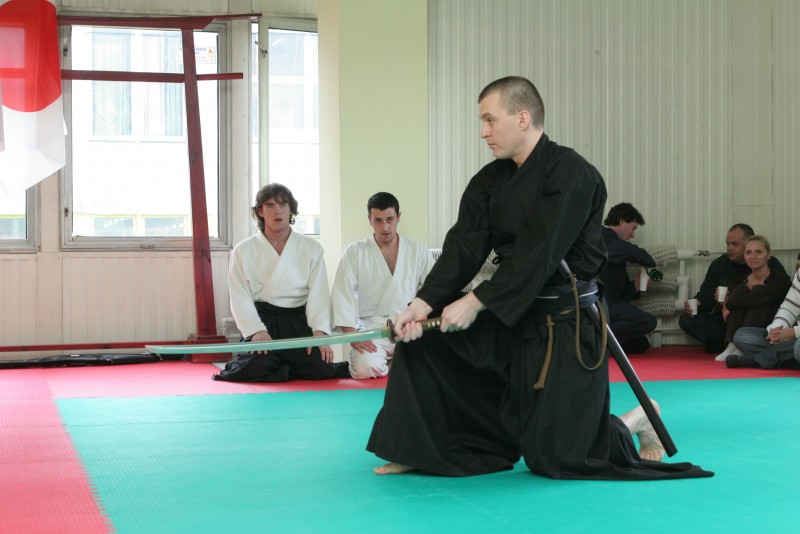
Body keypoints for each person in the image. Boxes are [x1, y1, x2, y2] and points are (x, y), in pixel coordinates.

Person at [366, 76, 712, 480]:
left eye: (490, 120)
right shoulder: (489, 181)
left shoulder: (572, 174)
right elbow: (463, 247)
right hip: (511, 311)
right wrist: (421, 305)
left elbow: (540, 251)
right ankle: (425, 448)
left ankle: (640, 418)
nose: (483, 132)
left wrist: (476, 301)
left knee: (561, 458)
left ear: (522, 117)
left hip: (564, 321)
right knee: (426, 342)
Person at [214, 183, 351, 382]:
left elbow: (318, 295)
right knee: (257, 366)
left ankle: (285, 368)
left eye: (283, 205)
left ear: (291, 210)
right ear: (260, 211)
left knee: (319, 367)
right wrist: (256, 330)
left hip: (298, 322)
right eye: (270, 205)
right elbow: (239, 296)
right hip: (263, 321)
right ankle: (282, 366)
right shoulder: (243, 250)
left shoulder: (311, 248)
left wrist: (319, 332)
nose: (277, 211)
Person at [331, 192, 435, 379]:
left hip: (409, 326)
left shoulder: (417, 250)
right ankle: (395, 366)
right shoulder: (355, 251)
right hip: (373, 328)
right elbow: (342, 292)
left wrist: (422, 318)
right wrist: (352, 335)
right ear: (369, 220)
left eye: (390, 219)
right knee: (365, 368)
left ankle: (394, 365)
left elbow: (433, 288)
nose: (385, 227)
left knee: (432, 367)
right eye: (378, 220)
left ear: (398, 217)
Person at [679, 224, 786, 353]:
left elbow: (772, 296)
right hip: (728, 320)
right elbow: (706, 296)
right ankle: (732, 342)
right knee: (686, 319)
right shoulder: (720, 265)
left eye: (735, 244)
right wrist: (698, 304)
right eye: (727, 244)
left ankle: (729, 343)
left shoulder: (771, 266)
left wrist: (730, 304)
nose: (729, 248)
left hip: (759, 319)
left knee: (760, 300)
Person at [714, 236, 791, 361]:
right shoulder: (740, 280)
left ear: (768, 255)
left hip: (770, 328)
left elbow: (764, 298)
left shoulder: (780, 278)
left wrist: (730, 304)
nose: (753, 256)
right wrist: (724, 301)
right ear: (744, 256)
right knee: (739, 290)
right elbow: (727, 310)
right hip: (740, 328)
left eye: (758, 252)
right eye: (748, 252)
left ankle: (743, 347)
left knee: (758, 291)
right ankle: (732, 345)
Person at [599, 202, 658, 354]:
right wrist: (652, 264)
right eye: (633, 228)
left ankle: (602, 342)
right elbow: (633, 252)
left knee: (640, 344)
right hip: (601, 303)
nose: (632, 235)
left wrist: (635, 286)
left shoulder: (615, 248)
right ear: (621, 221)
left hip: (611, 304)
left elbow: (621, 293)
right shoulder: (602, 237)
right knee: (648, 322)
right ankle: (594, 338)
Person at [730, 254, 800, 369]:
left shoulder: (779, 277)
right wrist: (776, 330)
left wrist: (794, 332)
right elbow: (790, 306)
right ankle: (787, 358)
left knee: (798, 347)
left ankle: (759, 359)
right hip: (792, 338)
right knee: (742, 336)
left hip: (796, 336)